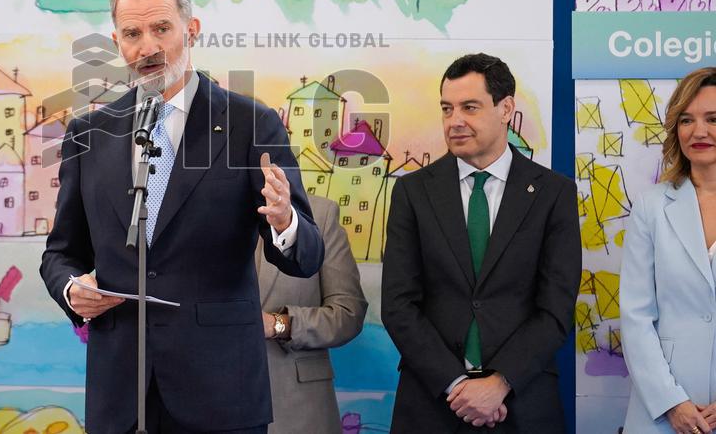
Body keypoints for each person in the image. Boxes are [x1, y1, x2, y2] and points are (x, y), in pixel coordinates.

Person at [39, 0, 325, 434]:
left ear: (191, 30)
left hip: (219, 393)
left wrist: (285, 221)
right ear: (117, 43)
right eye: (132, 33)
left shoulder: (249, 124)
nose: (147, 46)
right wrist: (73, 289)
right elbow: (62, 252)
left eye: (161, 28)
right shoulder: (88, 134)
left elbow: (307, 256)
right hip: (121, 397)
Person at [380, 53, 580, 432]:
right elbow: (398, 305)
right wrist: (457, 386)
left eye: (469, 107)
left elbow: (556, 309)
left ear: (506, 108)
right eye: (446, 109)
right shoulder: (412, 192)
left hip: (522, 403)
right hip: (431, 403)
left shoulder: (553, 194)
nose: (455, 121)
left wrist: (499, 382)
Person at [620, 67, 716, 434]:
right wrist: (671, 401)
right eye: (687, 120)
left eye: (713, 119)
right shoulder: (651, 207)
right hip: (662, 413)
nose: (699, 131)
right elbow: (636, 316)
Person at [257, 194, 366, 434]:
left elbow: (348, 313)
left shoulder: (319, 212)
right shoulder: (195, 213)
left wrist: (279, 324)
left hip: (299, 412)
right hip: (203, 407)